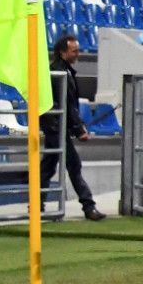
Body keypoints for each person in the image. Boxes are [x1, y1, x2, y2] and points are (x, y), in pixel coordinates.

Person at [41, 35, 105, 221]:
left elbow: (69, 105)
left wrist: (77, 126)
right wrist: (79, 130)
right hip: (56, 127)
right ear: (62, 52)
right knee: (73, 165)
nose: (78, 53)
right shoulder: (59, 73)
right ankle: (88, 206)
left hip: (56, 126)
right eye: (74, 50)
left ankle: (37, 203)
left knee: (48, 166)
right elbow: (67, 104)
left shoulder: (64, 71)